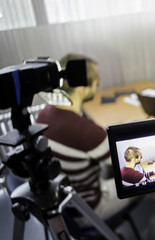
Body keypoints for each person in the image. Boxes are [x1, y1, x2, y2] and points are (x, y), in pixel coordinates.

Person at [36, 53, 131, 226]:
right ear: (81, 87)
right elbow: (124, 160)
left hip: (65, 202)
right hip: (89, 208)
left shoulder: (45, 112)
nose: (98, 85)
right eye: (96, 81)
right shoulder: (84, 131)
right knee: (143, 178)